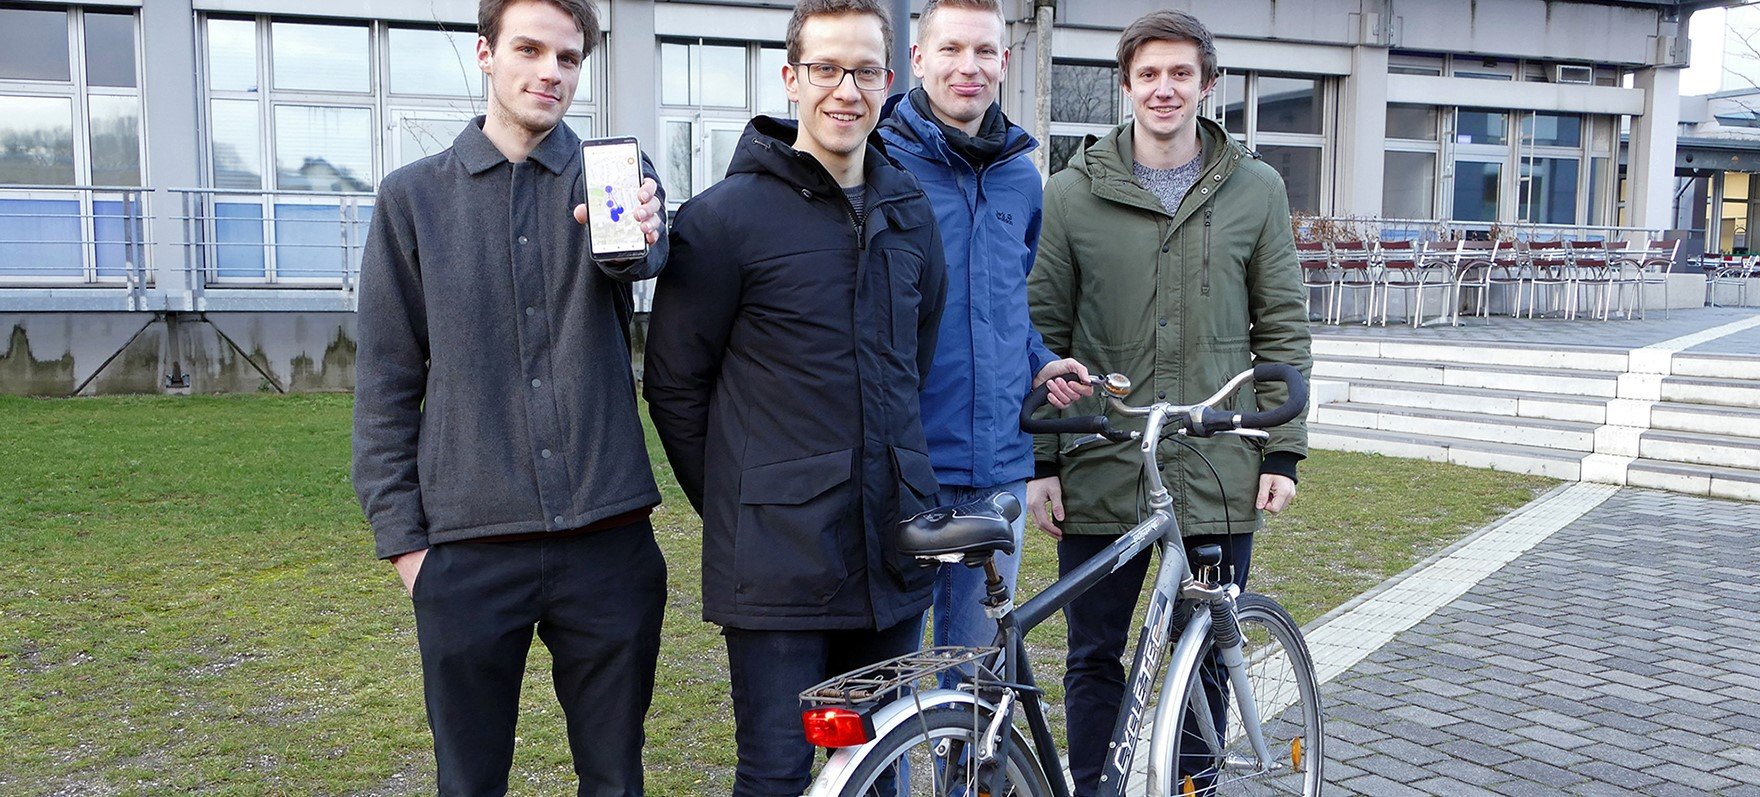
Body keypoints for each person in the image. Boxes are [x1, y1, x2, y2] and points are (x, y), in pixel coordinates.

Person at [350, 0, 669, 793]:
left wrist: (644, 237)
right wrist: (408, 549)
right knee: (469, 781)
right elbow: (386, 382)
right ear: (487, 53)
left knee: (616, 778)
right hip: (467, 549)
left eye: (568, 57)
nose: (550, 72)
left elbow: (644, 266)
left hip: (608, 541)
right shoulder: (411, 199)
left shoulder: (614, 179)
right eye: (529, 49)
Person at [641, 2, 948, 794]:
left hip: (892, 548)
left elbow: (912, 362)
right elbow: (674, 385)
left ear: (890, 82)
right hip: (777, 566)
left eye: (866, 71)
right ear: (791, 78)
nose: (846, 90)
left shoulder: (910, 213)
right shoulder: (722, 222)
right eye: (825, 69)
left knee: (879, 768)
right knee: (777, 772)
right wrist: (745, 504)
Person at [1024, 9, 1312, 796]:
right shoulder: (1073, 193)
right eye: (1148, 73)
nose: (1164, 88)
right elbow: (1045, 331)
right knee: (1092, 655)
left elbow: (1282, 323)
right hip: (1100, 459)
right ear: (1125, 85)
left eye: (1181, 73)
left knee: (1206, 656)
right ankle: (1095, 787)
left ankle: (1194, 786)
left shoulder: (1256, 188)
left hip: (1219, 461)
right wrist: (1043, 461)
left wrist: (1282, 447)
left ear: (1207, 85)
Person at [875, 0, 1087, 661]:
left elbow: (1003, 306)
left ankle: (969, 772)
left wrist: (1039, 361)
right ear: (917, 60)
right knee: (890, 684)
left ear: (1005, 61)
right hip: (902, 468)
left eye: (983, 51)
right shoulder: (877, 166)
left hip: (997, 469)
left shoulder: (1023, 179)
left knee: (976, 685)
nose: (968, 66)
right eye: (950, 49)